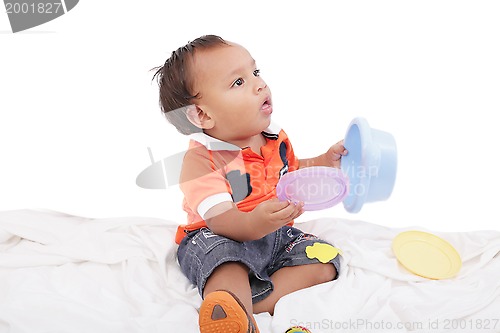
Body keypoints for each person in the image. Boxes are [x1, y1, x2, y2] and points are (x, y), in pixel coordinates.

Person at [153, 35, 346, 333]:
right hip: (219, 235)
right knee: (225, 262)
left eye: (255, 72)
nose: (260, 84)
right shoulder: (202, 160)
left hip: (273, 235)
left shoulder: (272, 138)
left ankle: (247, 304)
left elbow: (291, 173)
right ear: (203, 114)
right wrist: (255, 222)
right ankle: (235, 314)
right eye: (238, 83)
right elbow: (221, 220)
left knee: (324, 260)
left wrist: (324, 161)